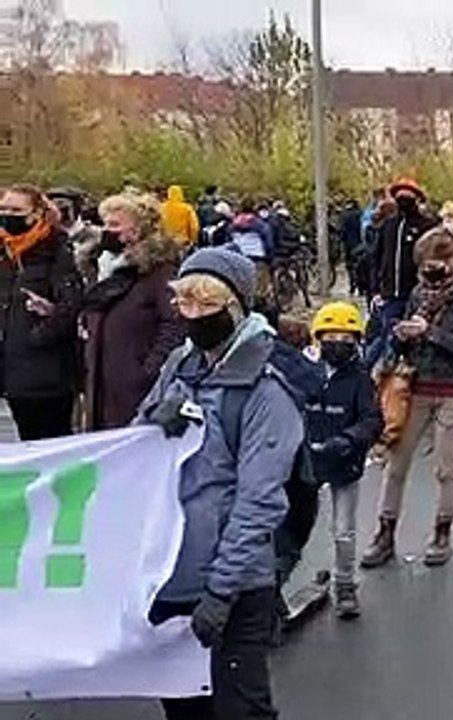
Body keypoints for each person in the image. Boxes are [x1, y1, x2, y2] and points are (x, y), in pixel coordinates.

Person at [138, 247, 303, 720]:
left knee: (240, 709)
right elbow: (137, 453)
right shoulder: (179, 365)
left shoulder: (267, 388)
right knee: (185, 711)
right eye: (184, 303)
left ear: (235, 307)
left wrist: (222, 590)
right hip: (173, 573)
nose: (191, 316)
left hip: (235, 586)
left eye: (204, 305)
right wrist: (154, 418)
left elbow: (259, 501)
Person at [361, 228, 453, 569]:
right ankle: (385, 532)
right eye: (424, 264)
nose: (430, 271)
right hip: (415, 386)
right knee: (396, 464)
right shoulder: (420, 292)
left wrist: (429, 332)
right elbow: (406, 342)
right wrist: (402, 336)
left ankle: (442, 532)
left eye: (438, 263)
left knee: (445, 468)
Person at [303, 302, 383, 619]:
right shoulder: (305, 372)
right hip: (306, 462)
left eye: (346, 338)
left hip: (343, 462)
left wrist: (348, 440)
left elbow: (372, 420)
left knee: (343, 530)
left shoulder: (360, 379)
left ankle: (345, 584)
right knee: (289, 528)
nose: (338, 343)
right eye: (331, 336)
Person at [81, 193, 185, 431]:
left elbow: (174, 323)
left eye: (115, 225)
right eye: (105, 223)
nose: (107, 231)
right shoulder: (105, 270)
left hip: (134, 386)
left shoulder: (159, 272)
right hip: (101, 381)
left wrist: (147, 370)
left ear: (139, 230)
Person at [0, 185, 84, 440]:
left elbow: (72, 303)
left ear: (36, 213)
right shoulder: (5, 251)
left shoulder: (56, 249)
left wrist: (40, 332)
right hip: (11, 367)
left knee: (51, 439)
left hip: (47, 371)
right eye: (3, 209)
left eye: (16, 210)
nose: (7, 215)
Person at [369, 179, 437, 365]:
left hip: (418, 295)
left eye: (408, 197)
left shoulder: (427, 226)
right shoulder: (389, 226)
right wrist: (375, 290)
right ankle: (383, 379)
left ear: (416, 199)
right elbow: (376, 258)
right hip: (391, 295)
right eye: (399, 197)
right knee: (388, 340)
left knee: (416, 340)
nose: (403, 200)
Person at [160, 185, 200, 250]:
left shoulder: (162, 208)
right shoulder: (187, 208)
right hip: (183, 242)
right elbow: (194, 226)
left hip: (166, 242)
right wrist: (193, 240)